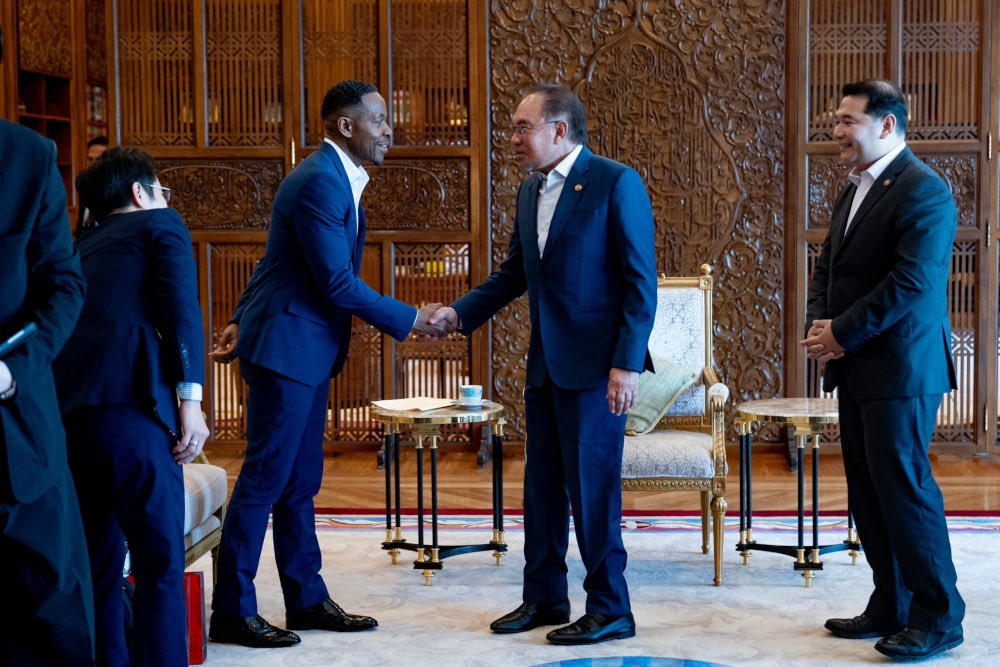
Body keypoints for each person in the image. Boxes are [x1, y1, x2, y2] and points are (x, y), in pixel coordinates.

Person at [207, 79, 444, 649]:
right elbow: (336, 282)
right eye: (380, 120)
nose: (389, 130)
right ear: (346, 126)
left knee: (299, 481)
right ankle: (233, 612)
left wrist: (240, 314)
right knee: (266, 478)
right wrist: (410, 317)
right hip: (288, 348)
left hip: (300, 346)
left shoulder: (334, 177)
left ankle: (306, 599)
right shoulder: (320, 181)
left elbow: (275, 259)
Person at [429, 83, 657, 645]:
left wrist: (625, 364)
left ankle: (611, 609)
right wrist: (458, 314)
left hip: (598, 370)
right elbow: (514, 274)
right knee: (543, 488)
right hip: (546, 367)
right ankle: (546, 597)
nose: (511, 139)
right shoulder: (531, 191)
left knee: (593, 489)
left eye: (519, 127)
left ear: (558, 130)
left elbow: (639, 283)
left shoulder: (615, 182)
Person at [801, 79, 965, 662]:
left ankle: (939, 617)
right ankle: (890, 603)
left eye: (848, 121)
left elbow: (912, 284)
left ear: (887, 126)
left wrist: (841, 332)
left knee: (905, 491)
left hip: (901, 369)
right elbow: (829, 270)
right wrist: (822, 326)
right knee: (868, 494)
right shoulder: (856, 188)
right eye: (837, 120)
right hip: (856, 365)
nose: (837, 131)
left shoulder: (925, 191)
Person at [52, 145, 210, 666]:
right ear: (141, 193)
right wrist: (191, 401)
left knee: (97, 569)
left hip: (69, 422)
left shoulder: (76, 250)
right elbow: (182, 309)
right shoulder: (159, 224)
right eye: (159, 188)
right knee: (159, 564)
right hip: (133, 415)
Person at [0, 119, 95, 665]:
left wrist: (14, 370)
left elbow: (63, 283)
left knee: (54, 617)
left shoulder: (29, 157)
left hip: (16, 432)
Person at [76, 135, 110, 237]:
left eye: (99, 159)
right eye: (90, 159)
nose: (93, 165)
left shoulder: (117, 193)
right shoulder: (84, 184)